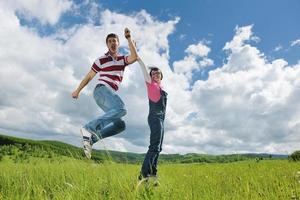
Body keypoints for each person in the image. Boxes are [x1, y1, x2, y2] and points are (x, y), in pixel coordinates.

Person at [71, 28, 137, 159]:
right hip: (101, 90)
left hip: (108, 94)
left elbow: (135, 57)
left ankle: (91, 140)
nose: (112, 43)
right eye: (110, 41)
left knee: (120, 125)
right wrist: (78, 90)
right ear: (107, 44)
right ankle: (89, 129)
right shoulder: (100, 60)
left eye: (115, 41)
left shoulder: (122, 59)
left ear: (118, 44)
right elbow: (89, 76)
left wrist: (129, 39)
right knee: (121, 109)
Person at [137, 56, 168, 183]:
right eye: (153, 73)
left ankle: (153, 175)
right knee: (154, 147)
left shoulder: (161, 89)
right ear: (150, 76)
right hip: (155, 117)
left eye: (158, 72)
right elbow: (144, 69)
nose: (155, 74)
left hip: (161, 119)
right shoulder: (151, 84)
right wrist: (138, 58)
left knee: (158, 148)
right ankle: (144, 176)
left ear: (161, 75)